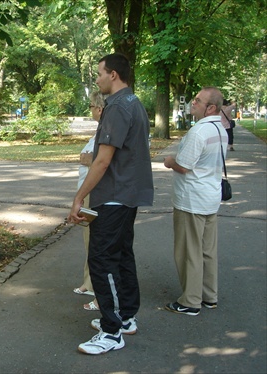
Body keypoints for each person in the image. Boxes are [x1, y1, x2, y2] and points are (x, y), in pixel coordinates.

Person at [68, 53, 154, 355]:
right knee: (121, 255)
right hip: (128, 194)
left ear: (114, 74)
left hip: (114, 196)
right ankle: (127, 316)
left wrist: (79, 198)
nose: (98, 79)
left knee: (102, 259)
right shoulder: (135, 102)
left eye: (100, 73)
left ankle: (112, 330)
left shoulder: (117, 107)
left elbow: (102, 160)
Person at [163, 86, 228, 316]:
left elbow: (185, 166)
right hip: (210, 197)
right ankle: (209, 296)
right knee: (208, 250)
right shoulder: (220, 129)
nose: (193, 103)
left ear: (211, 107)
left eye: (198, 101)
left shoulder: (198, 132)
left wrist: (170, 161)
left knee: (189, 251)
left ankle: (190, 301)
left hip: (192, 200)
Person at [73, 91, 107, 312]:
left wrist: (86, 158)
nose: (91, 110)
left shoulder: (107, 130)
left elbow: (99, 161)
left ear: (100, 108)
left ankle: (97, 288)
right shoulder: (100, 130)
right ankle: (89, 282)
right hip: (87, 193)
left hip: (96, 195)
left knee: (96, 243)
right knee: (88, 241)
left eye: (92, 106)